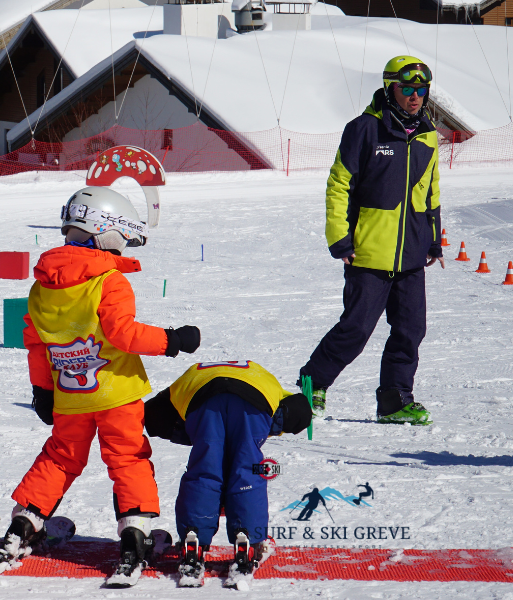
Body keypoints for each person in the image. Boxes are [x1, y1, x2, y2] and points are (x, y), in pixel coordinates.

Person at [0, 187, 201, 583]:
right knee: (127, 459)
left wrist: (43, 390)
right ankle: (136, 537)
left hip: (70, 394)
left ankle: (24, 525)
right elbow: (124, 334)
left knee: (60, 459)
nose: (124, 246)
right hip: (117, 394)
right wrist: (173, 340)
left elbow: (36, 344)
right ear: (105, 232)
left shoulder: (41, 286)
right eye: (123, 237)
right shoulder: (109, 281)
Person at [299, 55, 442, 425]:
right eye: (407, 88)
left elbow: (431, 190)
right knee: (357, 327)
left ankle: (395, 401)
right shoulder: (364, 128)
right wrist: (340, 239)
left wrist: (433, 237)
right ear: (390, 88)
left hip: (411, 252)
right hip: (367, 251)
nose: (415, 96)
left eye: (421, 89)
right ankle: (312, 383)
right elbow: (339, 184)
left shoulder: (427, 133)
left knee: (411, 330)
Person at [143, 360, 312, 585]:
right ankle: (249, 540)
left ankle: (193, 538)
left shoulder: (188, 377)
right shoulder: (264, 376)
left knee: (205, 471)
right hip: (254, 399)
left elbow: (156, 415)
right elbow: (298, 410)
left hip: (202, 398)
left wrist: (196, 438)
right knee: (248, 471)